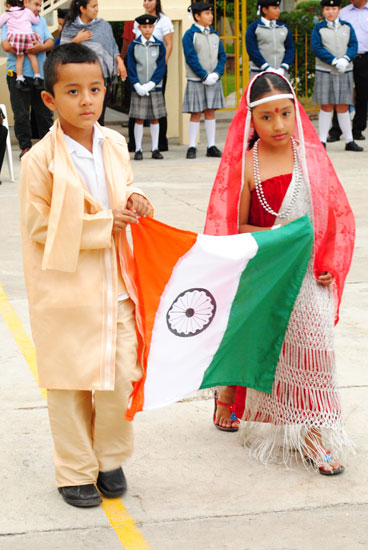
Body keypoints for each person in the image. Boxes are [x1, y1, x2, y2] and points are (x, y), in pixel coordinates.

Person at [19, 43, 152, 508]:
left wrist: (135, 200)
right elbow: (37, 226)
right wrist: (101, 224)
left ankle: (107, 458)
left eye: (94, 89)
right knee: (70, 382)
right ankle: (74, 470)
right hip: (66, 290)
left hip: (116, 285)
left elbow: (125, 186)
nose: (87, 100)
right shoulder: (39, 161)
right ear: (50, 100)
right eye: (72, 91)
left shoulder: (114, 143)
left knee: (122, 378)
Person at [205, 71, 355, 475]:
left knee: (316, 346)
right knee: (257, 340)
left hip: (309, 271)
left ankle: (313, 433)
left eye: (285, 114)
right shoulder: (245, 165)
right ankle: (228, 391)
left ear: (297, 113)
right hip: (264, 266)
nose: (278, 125)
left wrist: (328, 262)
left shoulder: (311, 158)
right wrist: (283, 237)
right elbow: (232, 226)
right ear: (250, 121)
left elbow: (334, 217)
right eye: (267, 117)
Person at [60, 0, 127, 126]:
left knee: (98, 117)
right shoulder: (70, 27)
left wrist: (120, 62)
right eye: (93, 6)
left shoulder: (104, 26)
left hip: (100, 78)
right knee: (80, 116)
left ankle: (97, 144)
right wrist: (76, 40)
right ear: (83, 9)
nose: (96, 9)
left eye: (97, 6)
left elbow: (112, 48)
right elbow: (62, 52)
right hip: (78, 80)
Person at [1, 0, 54, 158]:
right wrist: (25, 47)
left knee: (44, 114)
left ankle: (47, 148)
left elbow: (50, 42)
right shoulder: (11, 18)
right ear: (25, 3)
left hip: (41, 76)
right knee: (21, 114)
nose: (39, 8)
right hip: (17, 76)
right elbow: (5, 45)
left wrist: (41, 47)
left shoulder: (41, 20)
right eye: (36, 5)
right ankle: (26, 148)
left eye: (40, 5)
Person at [311, 0, 362, 151]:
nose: (330, 12)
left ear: (339, 9)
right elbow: (317, 47)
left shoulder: (347, 26)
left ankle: (349, 141)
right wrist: (333, 60)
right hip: (325, 71)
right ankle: (322, 140)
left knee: (343, 105)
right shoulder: (318, 28)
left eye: (333, 8)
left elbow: (353, 45)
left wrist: (346, 59)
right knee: (326, 105)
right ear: (323, 11)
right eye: (327, 8)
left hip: (344, 70)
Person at [182, 1, 226, 159]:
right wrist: (203, 75)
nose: (211, 16)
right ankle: (192, 146)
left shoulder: (214, 34)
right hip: (196, 79)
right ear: (197, 16)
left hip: (213, 79)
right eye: (207, 13)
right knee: (195, 113)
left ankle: (211, 146)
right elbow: (190, 57)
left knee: (210, 111)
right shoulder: (189, 35)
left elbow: (222, 55)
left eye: (211, 13)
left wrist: (216, 73)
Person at [130, 0, 174, 152]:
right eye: (145, 0)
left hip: (157, 71)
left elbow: (169, 44)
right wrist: (136, 82)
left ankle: (159, 144)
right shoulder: (138, 22)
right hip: (140, 75)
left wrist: (160, 67)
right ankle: (136, 146)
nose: (147, 2)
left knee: (157, 111)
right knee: (138, 113)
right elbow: (133, 56)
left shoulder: (164, 20)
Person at [127, 14, 166, 160]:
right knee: (139, 119)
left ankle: (155, 148)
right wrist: (136, 84)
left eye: (150, 26)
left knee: (155, 118)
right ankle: (138, 149)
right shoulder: (134, 45)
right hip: (139, 88)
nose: (147, 29)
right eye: (144, 27)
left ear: (154, 27)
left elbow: (161, 67)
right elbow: (131, 66)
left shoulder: (159, 45)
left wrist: (152, 83)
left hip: (154, 88)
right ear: (139, 28)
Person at [328, 0, 368, 142]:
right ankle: (336, 131)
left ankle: (358, 129)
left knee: (363, 95)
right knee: (340, 94)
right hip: (344, 58)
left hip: (365, 57)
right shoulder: (343, 12)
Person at [0, 0, 43, 91]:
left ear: (8, 4)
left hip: (15, 39)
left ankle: (19, 79)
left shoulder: (6, 14)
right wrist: (37, 18)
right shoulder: (26, 11)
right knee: (32, 56)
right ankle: (37, 77)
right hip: (27, 36)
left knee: (20, 58)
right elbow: (35, 21)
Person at [245, 0, 294, 79]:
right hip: (259, 73)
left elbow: (290, 48)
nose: (278, 11)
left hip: (281, 73)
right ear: (264, 10)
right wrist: (267, 68)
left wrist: (283, 68)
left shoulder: (283, 28)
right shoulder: (254, 28)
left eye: (278, 8)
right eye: (275, 8)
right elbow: (252, 50)